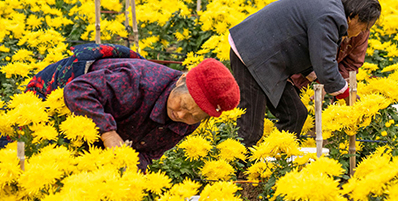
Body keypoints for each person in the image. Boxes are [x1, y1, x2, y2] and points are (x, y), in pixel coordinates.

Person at [27, 44, 239, 172]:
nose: (181, 115)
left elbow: (147, 151)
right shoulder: (137, 82)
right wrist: (108, 133)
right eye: (183, 104)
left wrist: (134, 173)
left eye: (194, 116)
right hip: (54, 95)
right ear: (181, 79)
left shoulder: (188, 122)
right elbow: (78, 91)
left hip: (95, 121)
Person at [229, 0, 381, 147]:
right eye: (363, 28)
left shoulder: (330, 11)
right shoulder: (329, 17)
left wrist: (318, 77)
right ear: (353, 16)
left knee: (294, 115)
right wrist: (347, 94)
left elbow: (312, 52)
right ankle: (239, 169)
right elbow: (325, 64)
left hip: (269, 58)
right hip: (252, 54)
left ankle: (276, 161)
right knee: (251, 129)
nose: (360, 33)